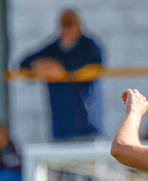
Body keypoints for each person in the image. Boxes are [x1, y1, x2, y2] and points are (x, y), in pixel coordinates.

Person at [19, 9, 103, 141]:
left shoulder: (89, 47)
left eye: (71, 24)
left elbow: (93, 62)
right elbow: (24, 63)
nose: (68, 29)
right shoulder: (54, 49)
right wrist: (44, 66)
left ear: (79, 25)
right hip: (61, 124)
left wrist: (61, 69)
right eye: (65, 24)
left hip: (87, 123)